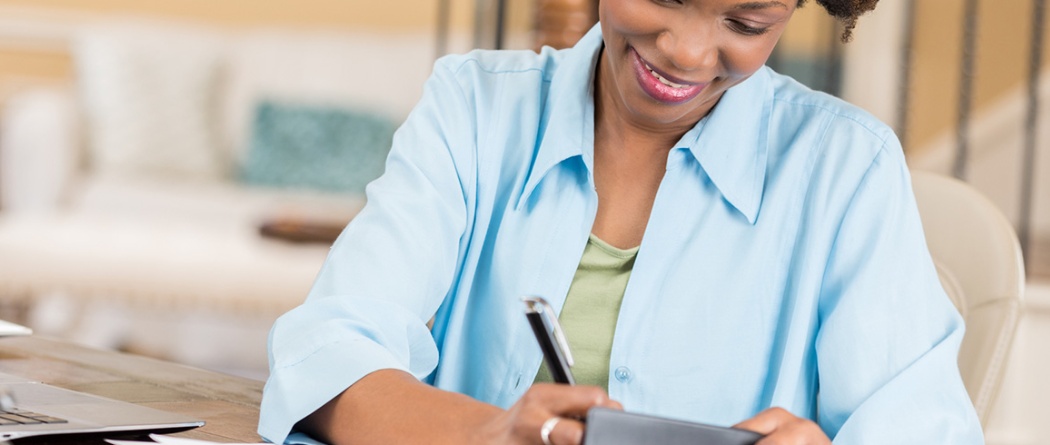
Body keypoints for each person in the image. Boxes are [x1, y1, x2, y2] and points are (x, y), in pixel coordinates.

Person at [259, 0, 984, 443]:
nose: (688, 53)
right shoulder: (475, 111)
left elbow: (922, 426)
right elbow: (330, 355)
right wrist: (487, 433)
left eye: (746, 21)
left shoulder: (845, 169)